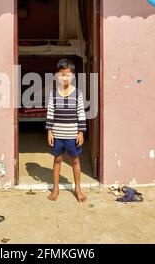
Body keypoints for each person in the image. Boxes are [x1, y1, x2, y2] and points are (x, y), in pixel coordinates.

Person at [46, 58, 87, 202]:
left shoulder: (78, 94)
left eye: (68, 74)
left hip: (72, 134)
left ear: (73, 76)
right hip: (58, 134)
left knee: (75, 161)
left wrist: (81, 132)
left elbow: (81, 112)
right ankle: (55, 188)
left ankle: (78, 189)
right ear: (57, 76)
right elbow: (50, 112)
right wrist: (50, 131)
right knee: (57, 160)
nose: (65, 77)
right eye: (62, 74)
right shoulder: (53, 94)